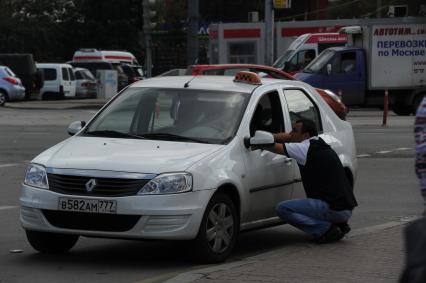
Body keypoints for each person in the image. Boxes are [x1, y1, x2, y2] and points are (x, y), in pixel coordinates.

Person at [255, 118, 358, 243]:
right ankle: (339, 225)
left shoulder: (304, 149)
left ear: (305, 135)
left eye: (294, 130)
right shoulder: (318, 143)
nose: (290, 134)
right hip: (345, 208)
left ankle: (326, 230)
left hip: (333, 209)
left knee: (283, 209)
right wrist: (273, 135)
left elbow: (274, 147)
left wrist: (254, 141)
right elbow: (290, 137)